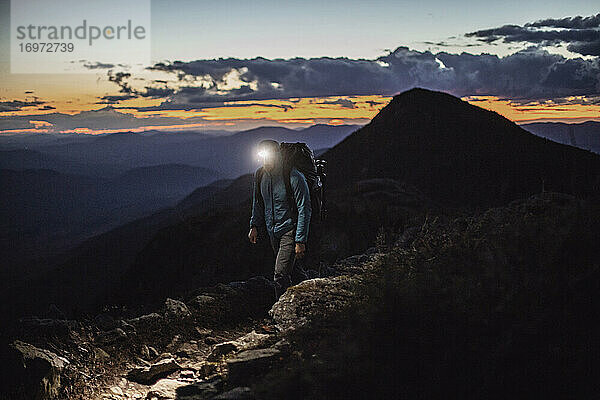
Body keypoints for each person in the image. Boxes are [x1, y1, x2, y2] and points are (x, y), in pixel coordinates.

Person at [248, 139, 311, 299]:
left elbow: (305, 208)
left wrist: (300, 240)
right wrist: (254, 225)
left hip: (290, 230)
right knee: (294, 270)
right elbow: (257, 201)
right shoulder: (260, 175)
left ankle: (281, 313)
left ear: (277, 155)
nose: (264, 161)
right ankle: (312, 296)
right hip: (272, 231)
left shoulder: (293, 176)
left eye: (268, 156)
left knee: (280, 274)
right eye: (261, 156)